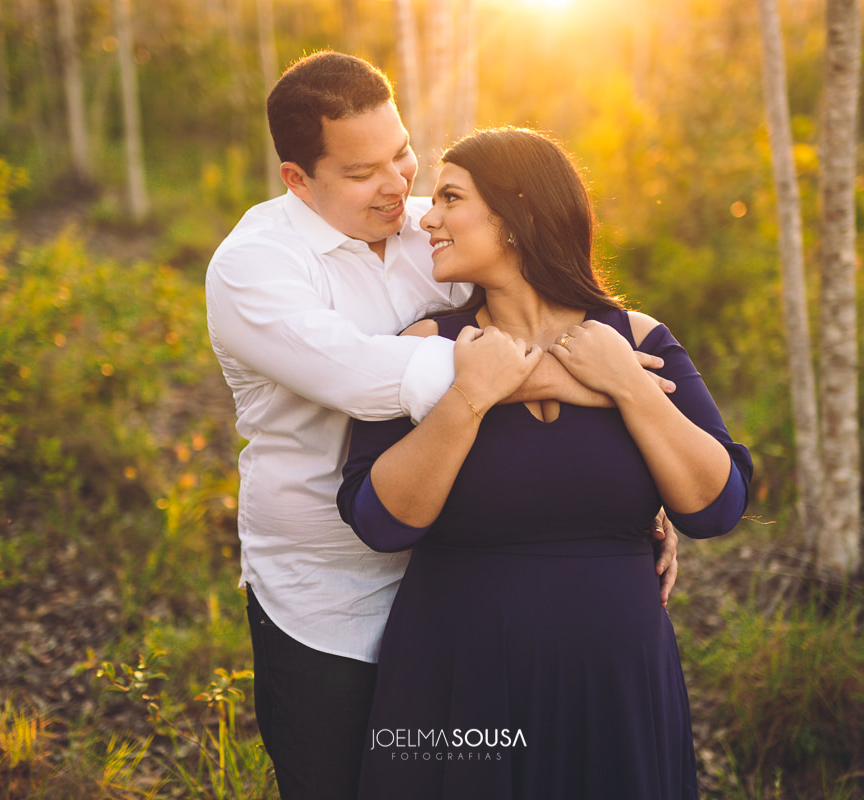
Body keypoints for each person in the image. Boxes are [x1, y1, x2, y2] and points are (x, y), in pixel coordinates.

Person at [205, 52, 679, 800]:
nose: (397, 186)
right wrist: (594, 384)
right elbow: (366, 377)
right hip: (327, 600)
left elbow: (541, 299)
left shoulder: (438, 227)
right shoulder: (254, 267)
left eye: (401, 154)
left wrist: (628, 488)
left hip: (459, 587)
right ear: (298, 179)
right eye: (362, 172)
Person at [337, 127, 753, 799]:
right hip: (458, 680)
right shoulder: (424, 347)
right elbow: (379, 520)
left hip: (616, 685)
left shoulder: (637, 341)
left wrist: (626, 387)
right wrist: (470, 396)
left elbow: (717, 507)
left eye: (449, 198)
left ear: (516, 214)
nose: (427, 219)